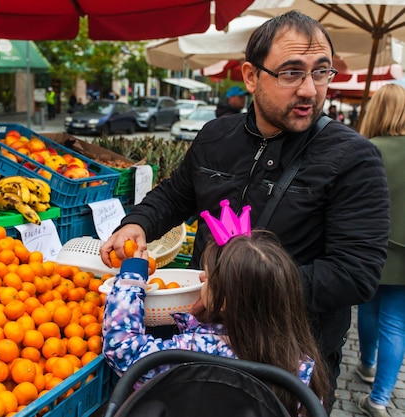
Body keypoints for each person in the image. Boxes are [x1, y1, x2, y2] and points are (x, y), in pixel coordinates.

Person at [100, 10, 390, 414]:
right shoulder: (216, 136)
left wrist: (240, 291)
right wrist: (136, 223)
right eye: (291, 73)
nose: (309, 90)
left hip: (289, 363)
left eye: (321, 72)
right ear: (251, 76)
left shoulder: (354, 158)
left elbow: (355, 274)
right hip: (200, 344)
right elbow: (176, 194)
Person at [103, 222, 329, 417]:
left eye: (208, 277)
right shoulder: (299, 366)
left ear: (224, 302)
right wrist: (198, 321)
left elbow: (123, 349)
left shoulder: (196, 351)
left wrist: (132, 277)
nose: (201, 277)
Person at [355, 83, 405, 417]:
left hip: (370, 248)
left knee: (368, 310)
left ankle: (366, 364)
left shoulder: (366, 149)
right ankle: (380, 398)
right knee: (396, 323)